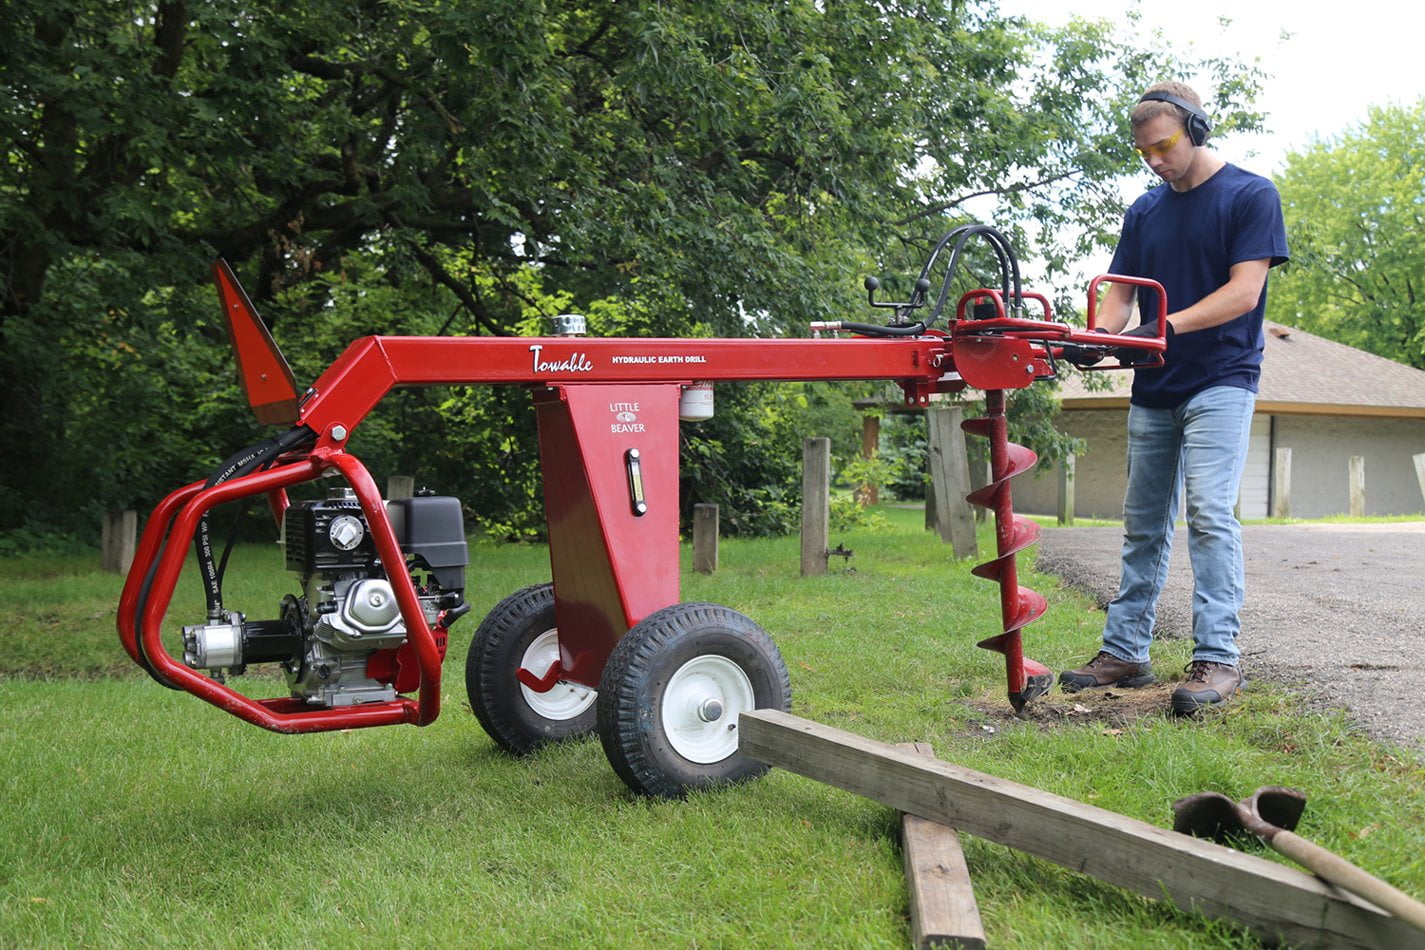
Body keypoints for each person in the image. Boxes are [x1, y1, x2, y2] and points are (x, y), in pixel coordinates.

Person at [1058, 82, 1289, 715]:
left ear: (1196, 129)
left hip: (1222, 376)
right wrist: (1094, 339)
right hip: (1154, 384)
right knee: (1142, 522)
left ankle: (1218, 659)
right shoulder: (1145, 211)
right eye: (1144, 152)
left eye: (1165, 146)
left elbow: (1244, 294)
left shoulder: (1250, 194)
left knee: (1210, 513)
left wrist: (1161, 329)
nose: (1155, 160)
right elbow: (1120, 296)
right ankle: (1126, 651)